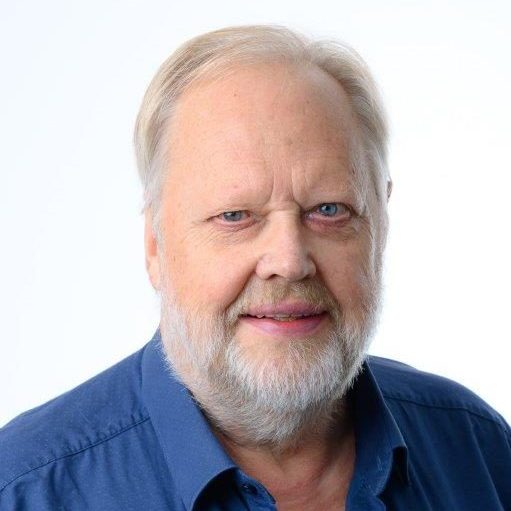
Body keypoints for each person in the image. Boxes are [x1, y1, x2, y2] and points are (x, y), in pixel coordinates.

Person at [0, 25, 509, 511]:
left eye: (329, 210)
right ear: (155, 243)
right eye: (235, 216)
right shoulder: (25, 492)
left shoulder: (479, 450)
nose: (289, 261)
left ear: (381, 223)